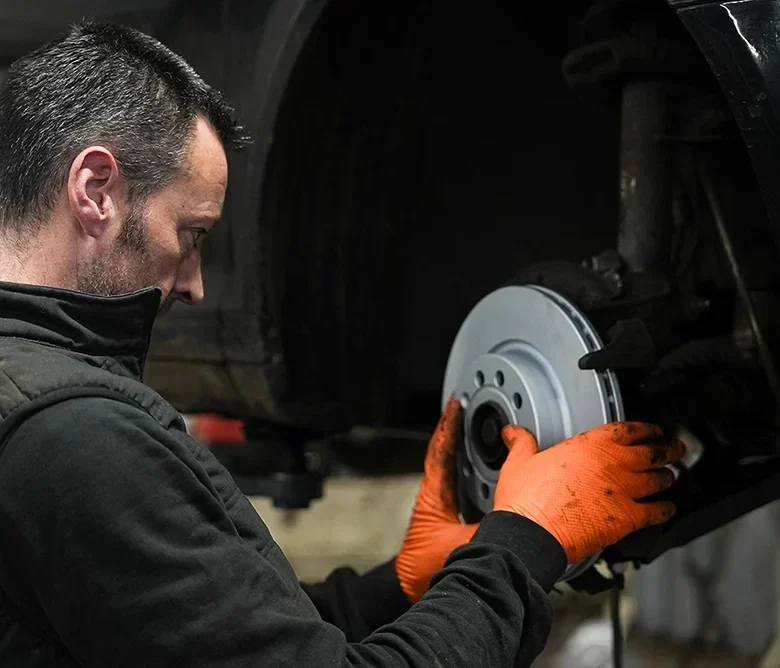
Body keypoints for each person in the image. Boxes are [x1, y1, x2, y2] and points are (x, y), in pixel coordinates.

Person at [0, 21, 685, 668]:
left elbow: (208, 641)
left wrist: (401, 587)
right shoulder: (74, 440)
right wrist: (524, 540)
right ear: (96, 191)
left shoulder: (35, 403)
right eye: (193, 234)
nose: (196, 287)